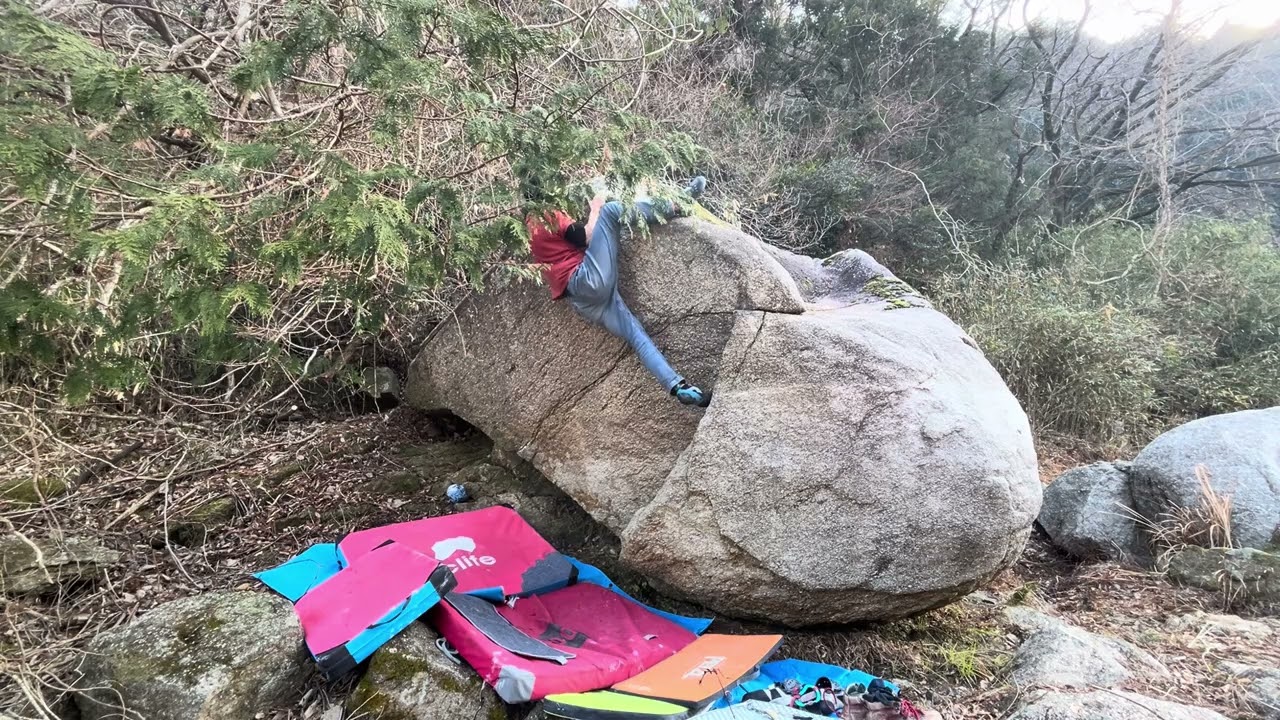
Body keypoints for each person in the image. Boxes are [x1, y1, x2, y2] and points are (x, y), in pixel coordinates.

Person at [525, 177, 711, 407]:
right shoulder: (547, 215)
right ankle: (676, 204)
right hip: (587, 279)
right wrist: (595, 209)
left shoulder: (528, 229)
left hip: (583, 301)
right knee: (611, 211)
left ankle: (678, 387)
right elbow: (587, 236)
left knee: (635, 334)